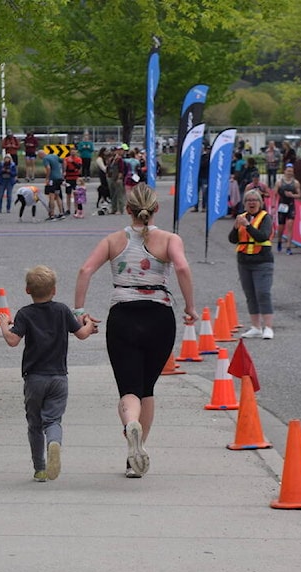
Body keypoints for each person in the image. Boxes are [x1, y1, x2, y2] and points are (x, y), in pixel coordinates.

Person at [74, 184, 197, 478]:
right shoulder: (170, 239)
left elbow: (85, 270)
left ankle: (131, 425)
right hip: (159, 316)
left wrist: (79, 312)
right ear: (156, 210)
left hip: (123, 316)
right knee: (147, 388)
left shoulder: (114, 240)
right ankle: (134, 461)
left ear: (127, 210)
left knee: (128, 388)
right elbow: (181, 268)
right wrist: (190, 306)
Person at [0, 265, 96, 482]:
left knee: (34, 424)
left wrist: (5, 325)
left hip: (34, 378)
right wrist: (88, 324)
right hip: (59, 377)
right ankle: (54, 442)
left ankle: (40, 469)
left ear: (27, 290)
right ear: (54, 290)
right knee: (53, 420)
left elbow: (13, 340)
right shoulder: (62, 310)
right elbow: (81, 334)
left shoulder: (25, 313)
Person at [230, 189, 275, 340]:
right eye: (248, 200)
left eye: (254, 200)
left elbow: (262, 236)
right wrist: (236, 228)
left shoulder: (265, 218)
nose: (251, 202)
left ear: (260, 203)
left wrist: (248, 226)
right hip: (244, 261)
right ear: (244, 203)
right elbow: (232, 239)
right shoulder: (241, 217)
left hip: (262, 260)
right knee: (250, 294)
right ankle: (255, 327)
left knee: (263, 293)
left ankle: (268, 327)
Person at [273, 163, 301, 254]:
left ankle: (288, 247)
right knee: (281, 226)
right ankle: (280, 240)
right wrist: (274, 205)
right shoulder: (279, 182)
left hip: (291, 205)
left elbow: (299, 195)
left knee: (290, 225)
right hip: (282, 205)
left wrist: (292, 195)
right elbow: (275, 194)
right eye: (288, 171)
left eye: (291, 172)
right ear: (284, 171)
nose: (289, 173)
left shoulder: (296, 183)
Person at [37, 148, 64, 219]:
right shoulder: (54, 155)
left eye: (39, 156)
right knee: (57, 195)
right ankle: (61, 213)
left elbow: (48, 168)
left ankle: (52, 214)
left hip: (53, 179)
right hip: (59, 178)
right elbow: (64, 161)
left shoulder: (45, 159)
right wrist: (63, 171)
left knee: (51, 196)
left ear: (41, 154)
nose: (39, 158)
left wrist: (47, 178)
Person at [63, 148, 82, 216]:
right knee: (68, 194)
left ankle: (76, 209)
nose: (73, 153)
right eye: (72, 152)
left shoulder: (78, 159)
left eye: (74, 152)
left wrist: (72, 162)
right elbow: (65, 168)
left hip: (75, 178)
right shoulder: (66, 159)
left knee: (76, 194)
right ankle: (68, 209)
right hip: (68, 177)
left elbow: (78, 167)